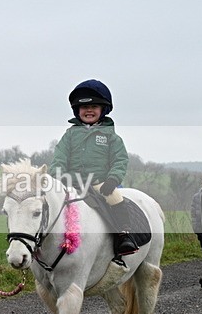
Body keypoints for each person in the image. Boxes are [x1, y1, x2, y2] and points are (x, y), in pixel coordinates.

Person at [51, 79, 138, 256]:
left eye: (94, 107)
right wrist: (59, 177)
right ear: (77, 110)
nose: (89, 110)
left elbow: (120, 160)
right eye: (84, 107)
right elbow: (59, 159)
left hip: (100, 183)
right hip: (71, 183)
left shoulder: (111, 137)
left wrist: (112, 179)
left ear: (103, 110)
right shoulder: (69, 135)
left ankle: (124, 235)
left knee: (115, 197)